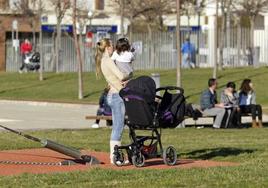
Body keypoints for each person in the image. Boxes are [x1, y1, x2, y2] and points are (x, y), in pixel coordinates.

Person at [95, 38, 129, 164]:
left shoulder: (104, 61)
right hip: (116, 95)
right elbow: (121, 76)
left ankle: (115, 156)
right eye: (112, 46)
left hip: (112, 94)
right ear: (108, 47)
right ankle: (115, 157)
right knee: (118, 127)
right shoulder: (108, 61)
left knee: (117, 126)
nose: (114, 48)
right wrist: (130, 74)